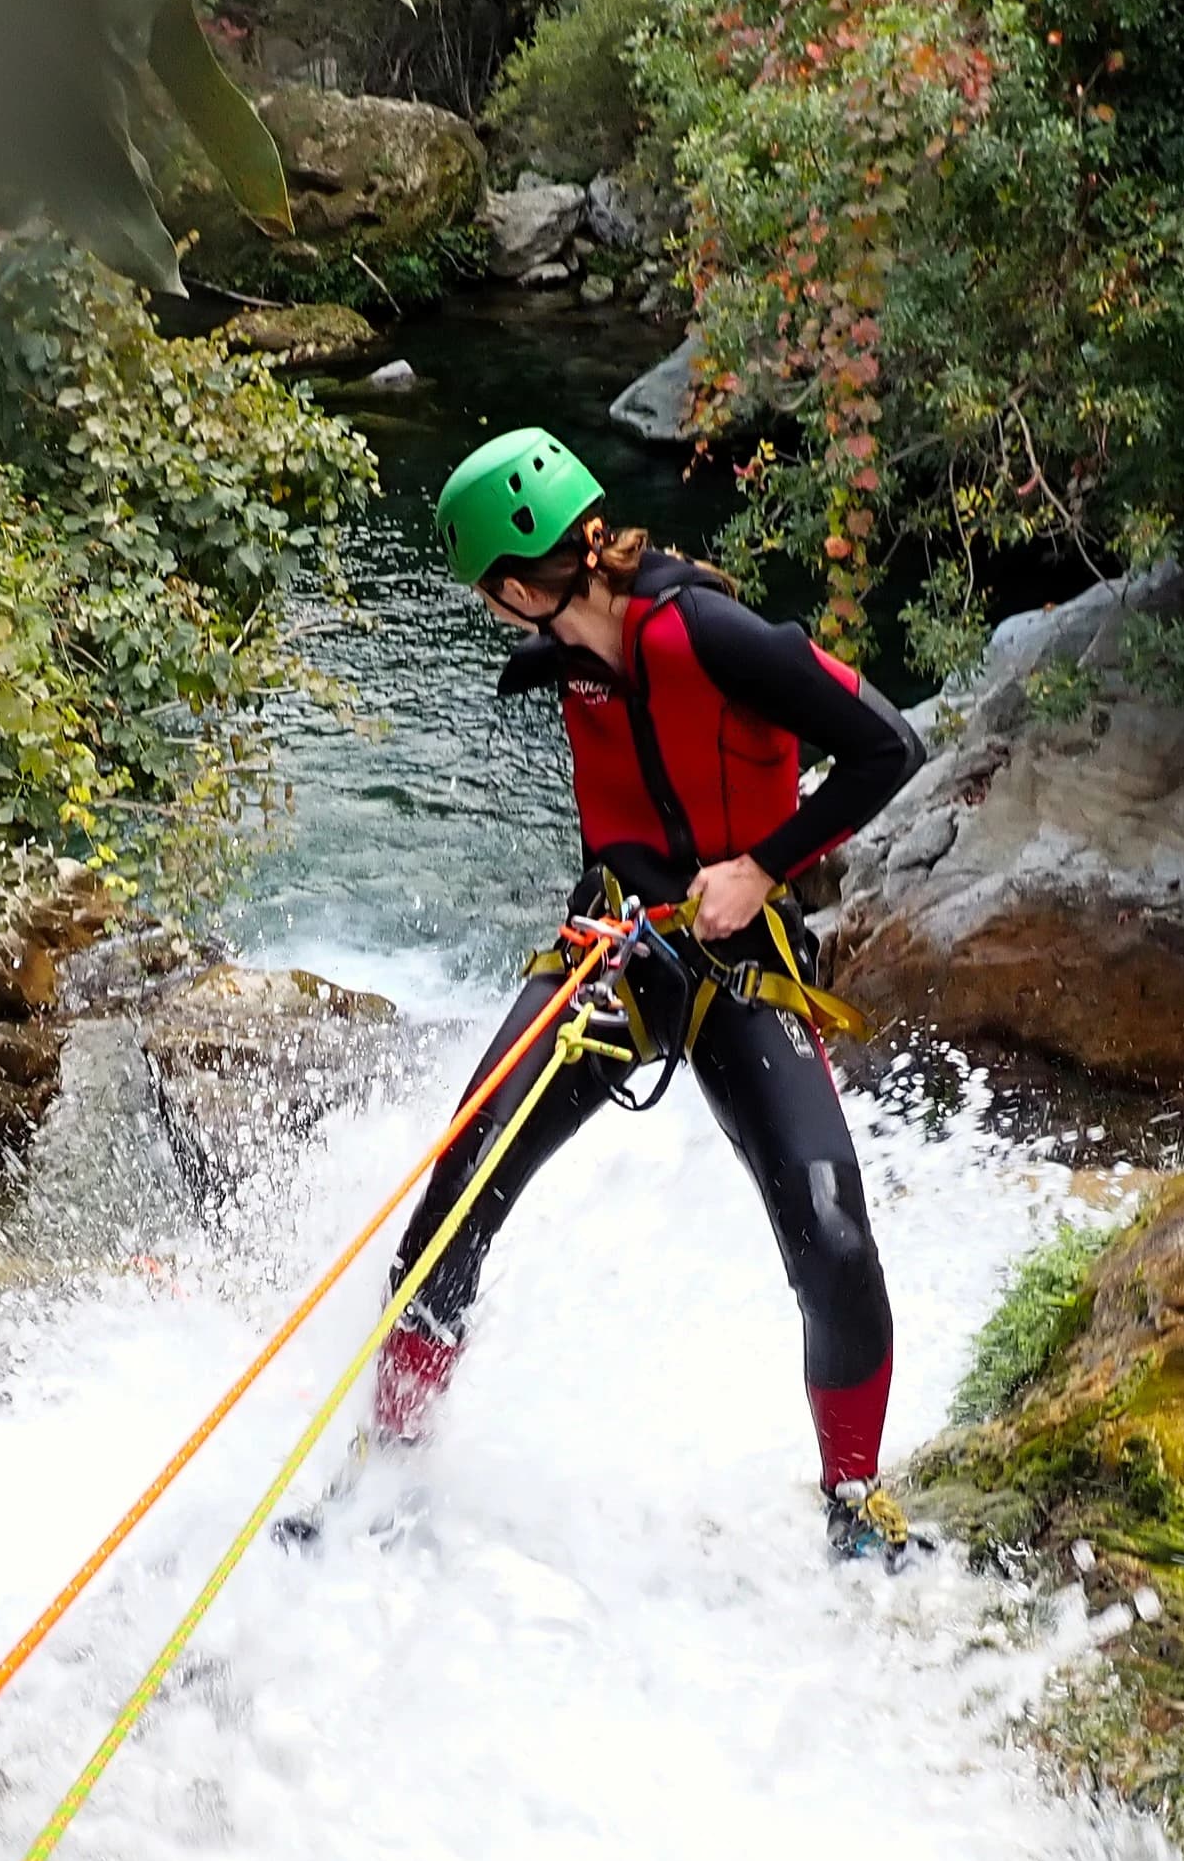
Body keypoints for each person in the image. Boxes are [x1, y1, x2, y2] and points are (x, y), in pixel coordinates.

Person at [392, 426, 928, 1558]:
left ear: (506, 586)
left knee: (831, 1236)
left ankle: (853, 1501)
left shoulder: (714, 634)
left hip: (739, 958)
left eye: (478, 590)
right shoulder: (569, 647)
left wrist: (763, 865)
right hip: (609, 952)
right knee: (461, 1182)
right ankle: (383, 1472)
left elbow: (887, 743)